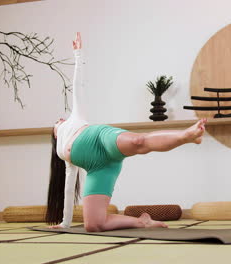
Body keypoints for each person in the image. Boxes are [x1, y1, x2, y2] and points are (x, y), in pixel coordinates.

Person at [46, 32, 207, 232]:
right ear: (54, 134)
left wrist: (78, 55)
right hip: (100, 169)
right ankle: (142, 221)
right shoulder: (64, 156)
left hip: (101, 140)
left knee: (140, 142)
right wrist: (65, 223)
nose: (60, 120)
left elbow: (78, 88)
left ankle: (187, 136)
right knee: (94, 225)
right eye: (56, 122)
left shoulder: (75, 117)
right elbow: (69, 190)